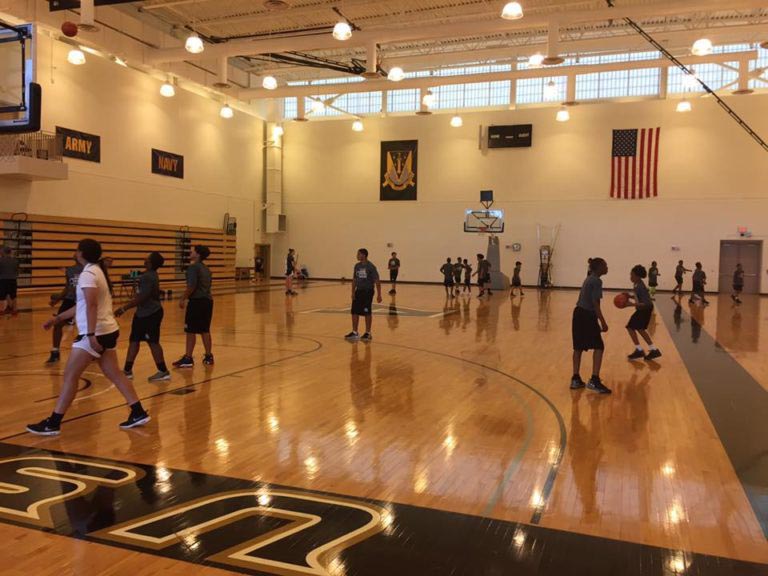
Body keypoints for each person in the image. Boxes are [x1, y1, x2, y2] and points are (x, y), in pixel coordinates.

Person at [27, 238, 150, 435]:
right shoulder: (97, 271)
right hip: (108, 330)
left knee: (70, 376)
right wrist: (57, 318)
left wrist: (91, 334)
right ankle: (137, 411)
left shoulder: (88, 274)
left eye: (77, 250)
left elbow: (91, 305)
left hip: (94, 334)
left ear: (81, 253)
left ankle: (53, 422)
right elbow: (82, 305)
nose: (75, 253)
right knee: (114, 373)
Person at [115, 252, 170, 382]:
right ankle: (127, 370)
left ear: (150, 262)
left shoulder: (148, 277)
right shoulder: (148, 274)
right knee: (134, 340)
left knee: (153, 342)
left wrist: (124, 308)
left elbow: (141, 297)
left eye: (147, 258)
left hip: (151, 313)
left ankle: (163, 371)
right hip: (141, 314)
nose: (145, 259)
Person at [570, 257, 611, 394]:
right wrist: (603, 322)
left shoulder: (589, 278)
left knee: (578, 347)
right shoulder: (597, 281)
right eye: (605, 265)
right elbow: (595, 304)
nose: (607, 267)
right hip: (587, 314)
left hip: (578, 314)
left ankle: (575, 379)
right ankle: (594, 380)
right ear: (599, 267)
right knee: (599, 346)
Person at [173, 245, 214, 368]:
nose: (190, 251)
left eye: (193, 250)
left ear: (198, 254)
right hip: (208, 301)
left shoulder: (193, 267)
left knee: (190, 330)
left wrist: (182, 298)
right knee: (204, 329)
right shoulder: (206, 269)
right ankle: (208, 356)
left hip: (197, 302)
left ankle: (188, 358)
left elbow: (191, 286)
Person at [46, 254, 83, 364]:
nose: (75, 254)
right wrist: (58, 299)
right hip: (70, 300)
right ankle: (55, 352)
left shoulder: (90, 269)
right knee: (57, 324)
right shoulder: (70, 270)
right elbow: (68, 287)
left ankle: (93, 351)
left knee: (87, 327)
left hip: (84, 300)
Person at [625, 265, 662, 361]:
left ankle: (641, 350)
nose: (630, 277)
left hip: (645, 308)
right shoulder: (636, 284)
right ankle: (652, 350)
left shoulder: (640, 286)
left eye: (632, 275)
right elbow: (639, 298)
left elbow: (644, 303)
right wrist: (630, 296)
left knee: (631, 327)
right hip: (644, 308)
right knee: (639, 328)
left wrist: (630, 304)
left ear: (637, 276)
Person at [344, 248, 382, 341]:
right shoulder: (357, 266)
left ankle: (368, 333)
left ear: (364, 255)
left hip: (367, 292)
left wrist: (379, 294)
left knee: (367, 311)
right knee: (354, 311)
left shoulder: (371, 267)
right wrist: (353, 292)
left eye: (359, 254)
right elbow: (354, 280)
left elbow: (377, 281)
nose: (357, 256)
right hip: (359, 291)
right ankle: (355, 332)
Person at [0, 246, 19, 316]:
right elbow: (17, 272)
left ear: (4, 252)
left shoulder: (0, 260)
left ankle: (1, 311)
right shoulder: (15, 261)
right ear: (10, 252)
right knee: (13, 296)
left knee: (1, 296)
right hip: (13, 280)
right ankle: (15, 310)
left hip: (3, 280)